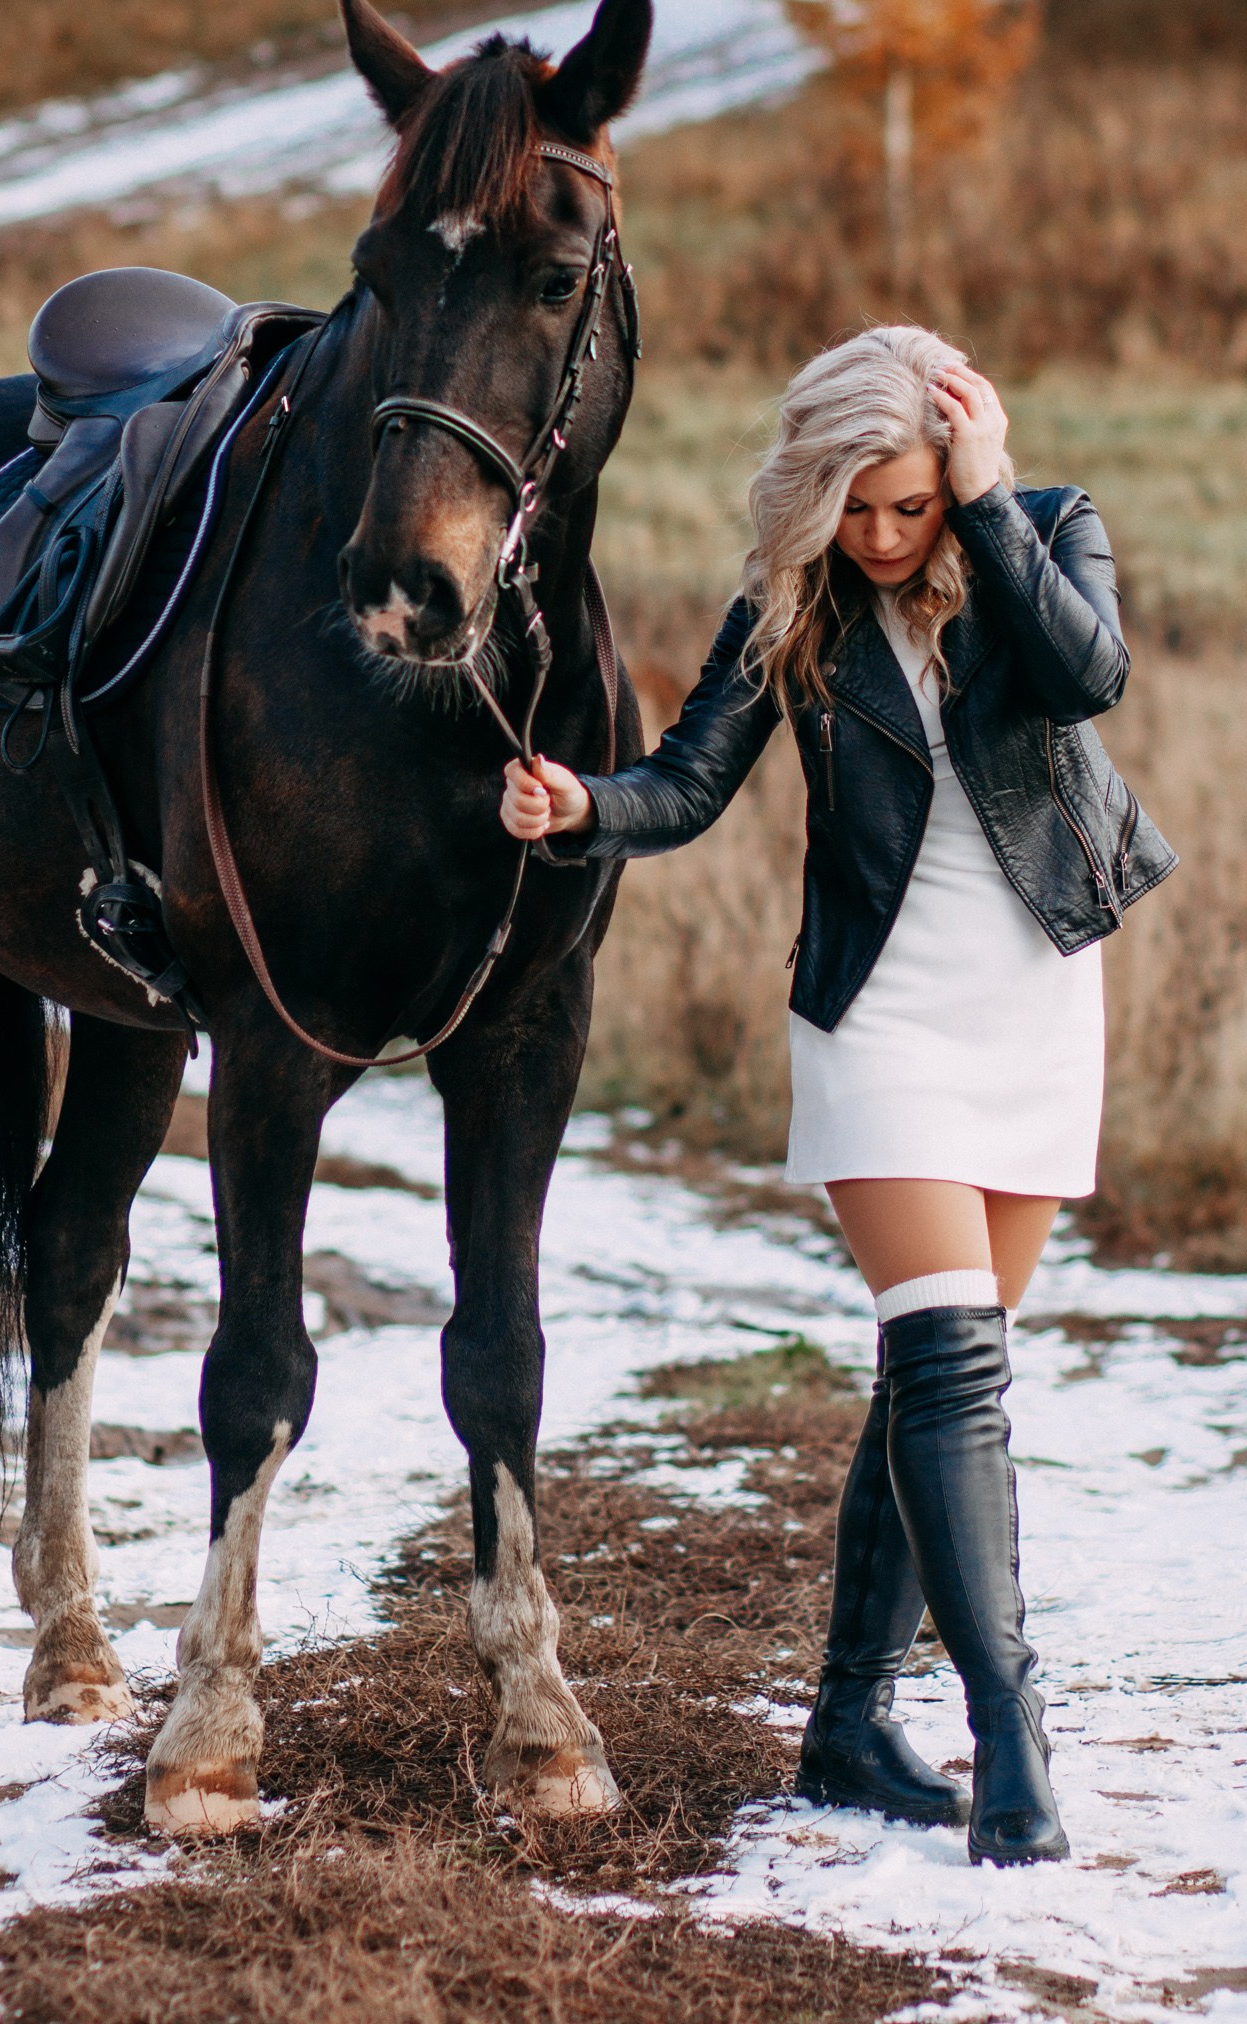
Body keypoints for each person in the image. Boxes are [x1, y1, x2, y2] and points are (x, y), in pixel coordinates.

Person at [503, 324, 1175, 1866]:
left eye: (908, 506)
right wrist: (582, 805)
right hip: (878, 1020)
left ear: (958, 471)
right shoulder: (791, 601)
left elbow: (1089, 677)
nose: (877, 537)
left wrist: (986, 506)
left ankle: (848, 1727)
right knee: (949, 1367)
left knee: (938, 1381)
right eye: (851, 509)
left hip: (1034, 1003)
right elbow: (687, 782)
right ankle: (1012, 1743)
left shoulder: (1045, 529)